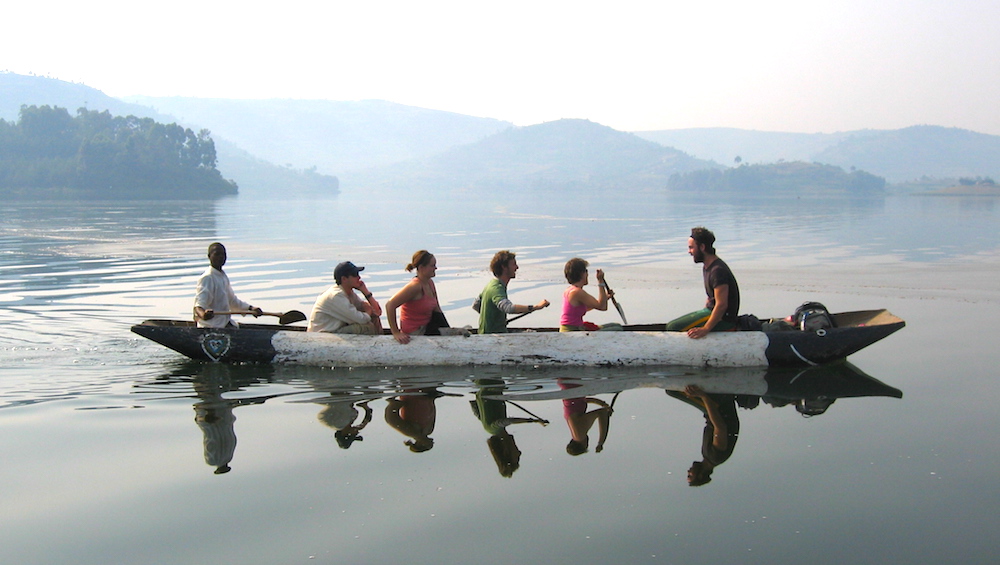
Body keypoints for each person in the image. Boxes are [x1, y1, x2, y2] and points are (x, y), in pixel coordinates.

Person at [666, 227, 740, 338]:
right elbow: (711, 297)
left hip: (724, 319)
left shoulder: (718, 270)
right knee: (671, 325)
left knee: (673, 327)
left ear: (702, 247)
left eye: (691, 248)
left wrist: (705, 329)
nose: (689, 252)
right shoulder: (708, 266)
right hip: (709, 311)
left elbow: (721, 305)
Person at [472, 250, 550, 334]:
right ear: (504, 267)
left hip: (486, 334)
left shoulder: (490, 285)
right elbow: (509, 308)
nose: (517, 267)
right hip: (493, 338)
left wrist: (496, 318)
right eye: (513, 264)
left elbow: (476, 305)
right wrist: (536, 307)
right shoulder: (496, 288)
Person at [193, 242, 262, 328]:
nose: (221, 257)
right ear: (209, 256)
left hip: (224, 323)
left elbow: (232, 301)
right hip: (212, 326)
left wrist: (251, 309)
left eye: (223, 254)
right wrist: (203, 315)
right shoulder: (207, 278)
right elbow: (198, 306)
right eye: (217, 254)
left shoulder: (222, 276)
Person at [385, 250, 444, 344]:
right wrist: (396, 332)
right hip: (415, 332)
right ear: (421, 267)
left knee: (461, 332)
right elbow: (390, 305)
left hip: (427, 326)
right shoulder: (415, 286)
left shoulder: (430, 283)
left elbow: (437, 309)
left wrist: (446, 328)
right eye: (432, 265)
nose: (436, 268)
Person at [307, 261, 383, 334]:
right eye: (355, 274)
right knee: (366, 327)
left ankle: (380, 342)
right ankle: (378, 344)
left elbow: (377, 312)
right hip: (322, 334)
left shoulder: (349, 294)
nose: (359, 277)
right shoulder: (336, 296)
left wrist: (366, 292)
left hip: (335, 331)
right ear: (344, 279)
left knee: (374, 318)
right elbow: (361, 319)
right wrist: (368, 311)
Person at [559, 257, 619, 331]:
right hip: (572, 331)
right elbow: (602, 307)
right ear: (581, 273)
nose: (587, 274)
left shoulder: (570, 290)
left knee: (615, 325)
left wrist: (605, 298)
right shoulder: (577, 292)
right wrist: (600, 281)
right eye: (586, 271)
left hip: (574, 328)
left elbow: (585, 308)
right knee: (617, 329)